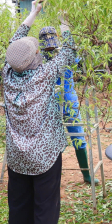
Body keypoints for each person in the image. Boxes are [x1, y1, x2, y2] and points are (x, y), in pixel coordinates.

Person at [3, 0, 75, 224]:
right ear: (36, 58)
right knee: (46, 206)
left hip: (16, 155)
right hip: (44, 155)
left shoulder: (8, 74)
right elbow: (67, 52)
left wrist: (32, 13)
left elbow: (15, 43)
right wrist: (65, 22)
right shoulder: (44, 75)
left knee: (19, 204)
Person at [39, 26, 94, 184]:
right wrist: (66, 27)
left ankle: (82, 175)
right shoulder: (65, 53)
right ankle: (86, 175)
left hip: (51, 102)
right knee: (75, 135)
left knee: (54, 138)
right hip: (65, 100)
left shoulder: (39, 58)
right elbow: (73, 49)